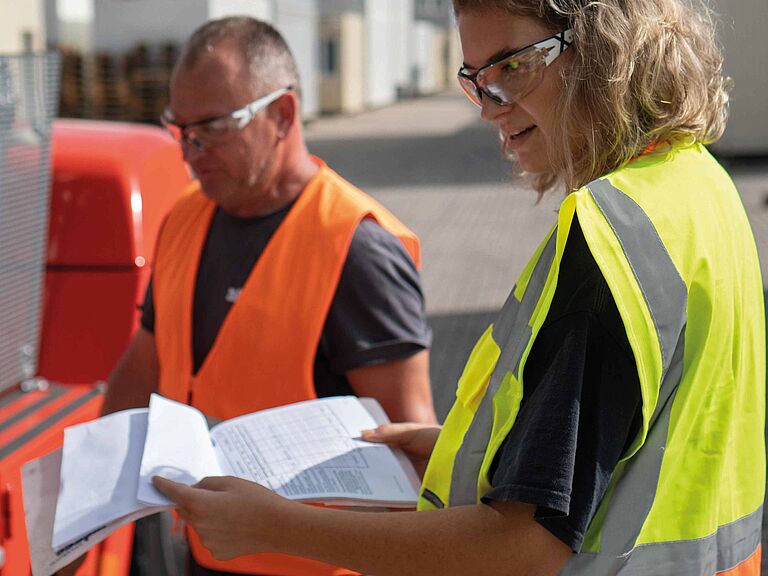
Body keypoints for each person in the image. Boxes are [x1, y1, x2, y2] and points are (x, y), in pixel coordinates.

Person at [154, 1, 766, 575]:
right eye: (475, 77)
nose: (488, 104)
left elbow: (521, 546)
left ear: (607, 49)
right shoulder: (700, 185)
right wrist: (462, 454)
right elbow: (639, 448)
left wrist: (281, 527)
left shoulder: (612, 236)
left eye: (513, 67)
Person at [96, 15, 436, 576]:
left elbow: (414, 455)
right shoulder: (185, 215)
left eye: (214, 126)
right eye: (179, 128)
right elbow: (146, 361)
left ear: (282, 115)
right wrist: (89, 506)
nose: (191, 149)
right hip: (208, 553)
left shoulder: (356, 248)